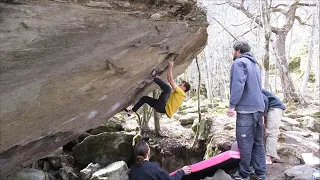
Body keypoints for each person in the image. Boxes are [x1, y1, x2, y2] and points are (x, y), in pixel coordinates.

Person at [227, 41, 266, 180]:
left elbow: (238, 85)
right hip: (258, 108)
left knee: (245, 143)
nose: (233, 54)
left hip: (246, 110)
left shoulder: (239, 62)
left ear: (238, 51)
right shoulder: (254, 65)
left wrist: (232, 105)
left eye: (233, 51)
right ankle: (260, 173)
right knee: (257, 142)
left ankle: (244, 174)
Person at [126, 61, 190, 118]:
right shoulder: (179, 95)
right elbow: (169, 79)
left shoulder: (181, 93)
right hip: (160, 108)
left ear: (184, 88)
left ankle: (154, 76)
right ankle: (130, 112)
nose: (179, 85)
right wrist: (169, 67)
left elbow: (170, 80)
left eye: (181, 85)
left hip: (163, 107)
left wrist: (170, 66)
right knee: (144, 98)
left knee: (168, 89)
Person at [262, 89, 286, 164]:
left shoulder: (253, 87)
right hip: (268, 107)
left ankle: (269, 156)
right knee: (265, 131)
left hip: (275, 107)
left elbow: (265, 100)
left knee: (271, 132)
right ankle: (271, 154)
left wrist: (263, 116)